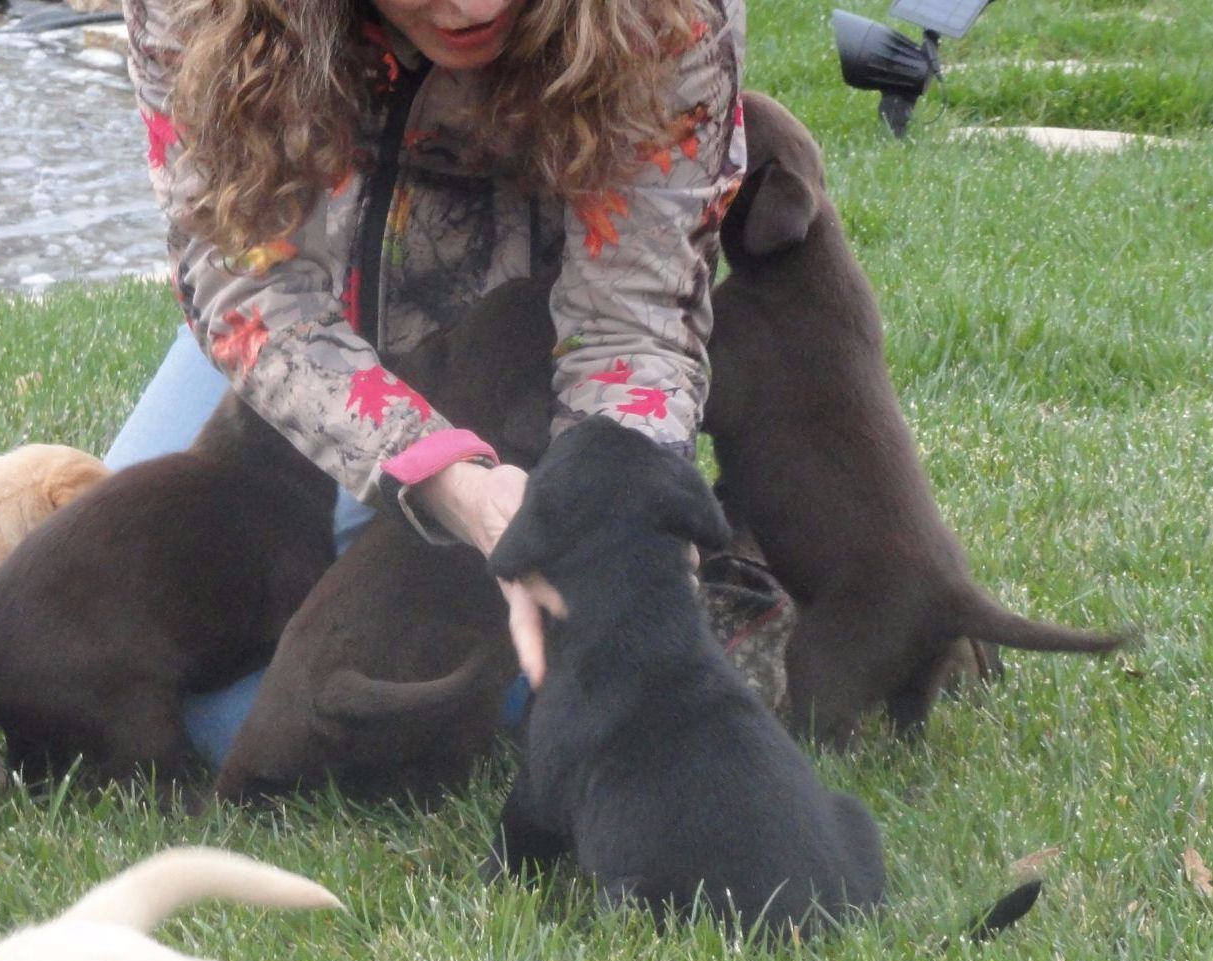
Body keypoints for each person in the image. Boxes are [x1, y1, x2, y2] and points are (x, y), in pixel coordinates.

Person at [106, 0, 749, 768]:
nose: (472, 7)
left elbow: (634, 319)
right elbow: (248, 290)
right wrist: (448, 480)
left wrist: (613, 514)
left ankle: (747, 591)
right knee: (106, 634)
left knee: (268, 726)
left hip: (516, 351)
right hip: (298, 323)